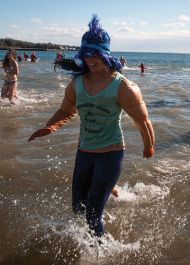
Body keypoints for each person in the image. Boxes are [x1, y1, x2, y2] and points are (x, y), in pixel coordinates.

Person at [28, 15, 155, 238]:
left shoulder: (123, 87)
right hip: (84, 152)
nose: (89, 60)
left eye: (94, 54)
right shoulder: (76, 83)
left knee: (93, 213)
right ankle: (108, 187)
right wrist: (51, 127)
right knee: (78, 206)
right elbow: (66, 111)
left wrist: (148, 146)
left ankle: (100, 254)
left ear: (105, 54)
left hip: (110, 153)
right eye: (86, 54)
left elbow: (142, 120)